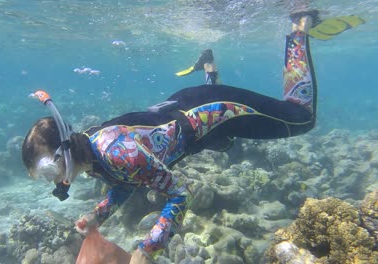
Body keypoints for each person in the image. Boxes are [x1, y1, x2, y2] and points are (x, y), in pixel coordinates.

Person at [22, 8, 362, 264]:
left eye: (50, 172)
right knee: (225, 143)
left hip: (212, 110)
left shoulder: (115, 152)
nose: (54, 182)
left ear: (64, 155)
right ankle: (209, 67)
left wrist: (147, 249)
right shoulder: (90, 153)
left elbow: (180, 195)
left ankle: (299, 27)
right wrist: (98, 215)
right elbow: (129, 180)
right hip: (191, 117)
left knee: (301, 117)